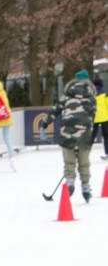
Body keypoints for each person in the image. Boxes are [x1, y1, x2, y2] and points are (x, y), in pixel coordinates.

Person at [41, 69, 97, 202]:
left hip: (68, 132)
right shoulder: (91, 97)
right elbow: (93, 115)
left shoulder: (66, 96)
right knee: (84, 161)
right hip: (84, 132)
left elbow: (55, 111)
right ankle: (86, 187)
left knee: (69, 160)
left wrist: (45, 123)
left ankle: (70, 182)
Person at [93, 78, 107, 160]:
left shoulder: (91, 94)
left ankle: (84, 155)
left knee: (90, 137)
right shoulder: (105, 93)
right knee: (106, 137)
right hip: (105, 117)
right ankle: (107, 153)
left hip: (94, 118)